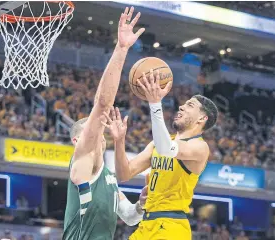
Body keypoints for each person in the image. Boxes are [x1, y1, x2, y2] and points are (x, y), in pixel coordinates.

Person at [102, 70, 218, 239]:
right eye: (184, 104)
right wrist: (119, 141)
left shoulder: (200, 147)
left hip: (171, 226)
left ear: (202, 119)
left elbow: (167, 149)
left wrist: (155, 104)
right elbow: (124, 174)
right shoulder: (158, 143)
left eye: (190, 106)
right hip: (146, 224)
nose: (181, 106)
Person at [63, 6, 146, 240]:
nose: (98, 133)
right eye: (91, 131)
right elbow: (102, 106)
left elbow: (130, 217)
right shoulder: (83, 157)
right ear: (77, 140)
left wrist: (140, 204)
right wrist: (121, 49)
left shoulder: (108, 177)